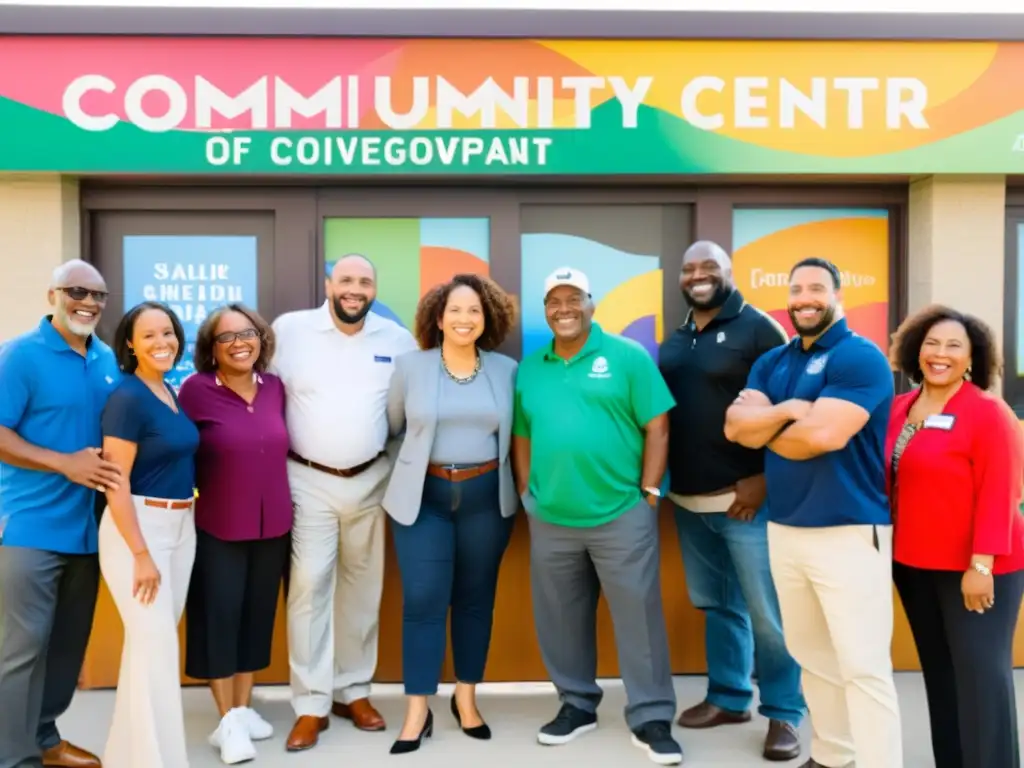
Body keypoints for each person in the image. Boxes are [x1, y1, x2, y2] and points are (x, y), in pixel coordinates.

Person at [724, 257, 902, 768]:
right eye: (796, 288)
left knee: (862, 667)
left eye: (816, 288)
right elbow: (735, 426)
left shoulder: (858, 357)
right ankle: (831, 756)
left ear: (837, 294)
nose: (804, 297)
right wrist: (787, 412)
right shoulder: (774, 362)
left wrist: (768, 426)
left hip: (848, 532)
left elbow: (824, 436)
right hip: (785, 529)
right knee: (813, 657)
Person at [513, 266, 683, 766]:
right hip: (552, 518)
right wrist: (528, 492)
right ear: (545, 310)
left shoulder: (627, 357)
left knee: (639, 618)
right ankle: (576, 705)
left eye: (573, 299)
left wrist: (649, 490)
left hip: (621, 515)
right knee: (560, 617)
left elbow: (658, 425)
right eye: (553, 301)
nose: (563, 309)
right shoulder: (531, 367)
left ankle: (651, 715)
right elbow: (522, 433)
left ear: (591, 303)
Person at [658, 241, 804, 761]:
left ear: (729, 273)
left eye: (708, 267)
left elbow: (791, 410)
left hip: (746, 501)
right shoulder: (677, 337)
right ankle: (728, 696)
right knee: (718, 605)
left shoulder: (760, 329)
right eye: (689, 267)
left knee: (768, 614)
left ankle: (784, 714)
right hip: (690, 500)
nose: (697, 275)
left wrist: (765, 477)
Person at [270, 254, 417, 751]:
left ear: (375, 290)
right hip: (306, 479)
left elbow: (404, 415)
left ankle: (352, 690)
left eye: (365, 282)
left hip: (371, 480)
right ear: (329, 284)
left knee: (362, 589)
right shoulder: (289, 331)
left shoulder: (397, 340)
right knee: (310, 587)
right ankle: (310, 704)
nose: (355, 289)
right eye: (347, 280)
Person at [383, 274, 519, 755]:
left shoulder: (506, 370)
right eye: (456, 310)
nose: (465, 319)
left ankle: (466, 699)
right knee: (422, 599)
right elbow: (395, 430)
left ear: (488, 320)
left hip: (486, 499)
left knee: (475, 599)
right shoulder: (410, 368)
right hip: (424, 501)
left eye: (475, 311)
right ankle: (418, 710)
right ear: (438, 318)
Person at [886, 305, 1024, 768]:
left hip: (978, 569)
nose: (939, 354)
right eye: (930, 343)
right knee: (941, 678)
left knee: (983, 680)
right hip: (914, 566)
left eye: (953, 346)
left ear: (972, 358)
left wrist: (981, 565)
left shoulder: (987, 412)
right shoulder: (900, 408)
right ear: (914, 351)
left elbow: (1001, 492)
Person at [0, 261, 120, 768]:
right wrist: (63, 463)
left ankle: (45, 738)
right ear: (53, 294)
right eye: (77, 291)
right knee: (21, 653)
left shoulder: (107, 357)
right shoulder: (19, 356)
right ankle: (14, 757)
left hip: (90, 532)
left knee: (68, 649)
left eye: (98, 294)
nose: (88, 302)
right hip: (30, 528)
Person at [178, 304, 292, 765]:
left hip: (273, 526)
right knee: (218, 621)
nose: (239, 343)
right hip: (219, 526)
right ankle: (225, 721)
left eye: (247, 333)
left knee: (255, 619)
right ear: (211, 348)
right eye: (226, 337)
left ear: (261, 338)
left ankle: (243, 709)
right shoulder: (196, 390)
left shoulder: (276, 389)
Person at [98, 301, 200, 768]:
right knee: (157, 648)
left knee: (149, 649)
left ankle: (130, 757)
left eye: (169, 333)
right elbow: (115, 481)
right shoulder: (127, 397)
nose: (163, 343)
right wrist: (140, 553)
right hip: (138, 531)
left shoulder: (166, 391)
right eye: (150, 336)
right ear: (130, 345)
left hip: (180, 527)